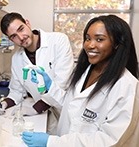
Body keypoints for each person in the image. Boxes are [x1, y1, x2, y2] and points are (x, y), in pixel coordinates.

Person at [22, 14, 139, 147]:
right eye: (87, 39)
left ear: (117, 44)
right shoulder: (84, 71)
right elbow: (71, 107)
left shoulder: (126, 85)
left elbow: (110, 140)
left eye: (99, 39)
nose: (90, 45)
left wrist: (51, 142)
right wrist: (50, 88)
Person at [0, 12, 74, 133]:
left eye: (21, 29)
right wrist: (4, 103)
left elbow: (62, 83)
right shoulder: (17, 58)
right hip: (46, 115)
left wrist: (35, 108)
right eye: (14, 36)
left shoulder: (58, 41)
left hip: (67, 110)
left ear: (27, 23)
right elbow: (17, 91)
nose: (21, 37)